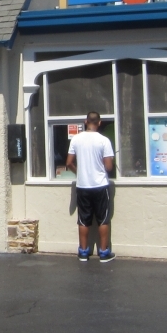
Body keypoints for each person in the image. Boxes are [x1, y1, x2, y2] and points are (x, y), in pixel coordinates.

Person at [66, 112, 115, 262]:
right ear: (99, 123)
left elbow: (68, 163)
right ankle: (104, 252)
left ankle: (83, 252)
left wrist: (79, 172)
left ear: (85, 121)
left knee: (83, 220)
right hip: (100, 185)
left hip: (83, 186)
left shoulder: (76, 139)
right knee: (103, 219)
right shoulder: (104, 140)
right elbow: (108, 167)